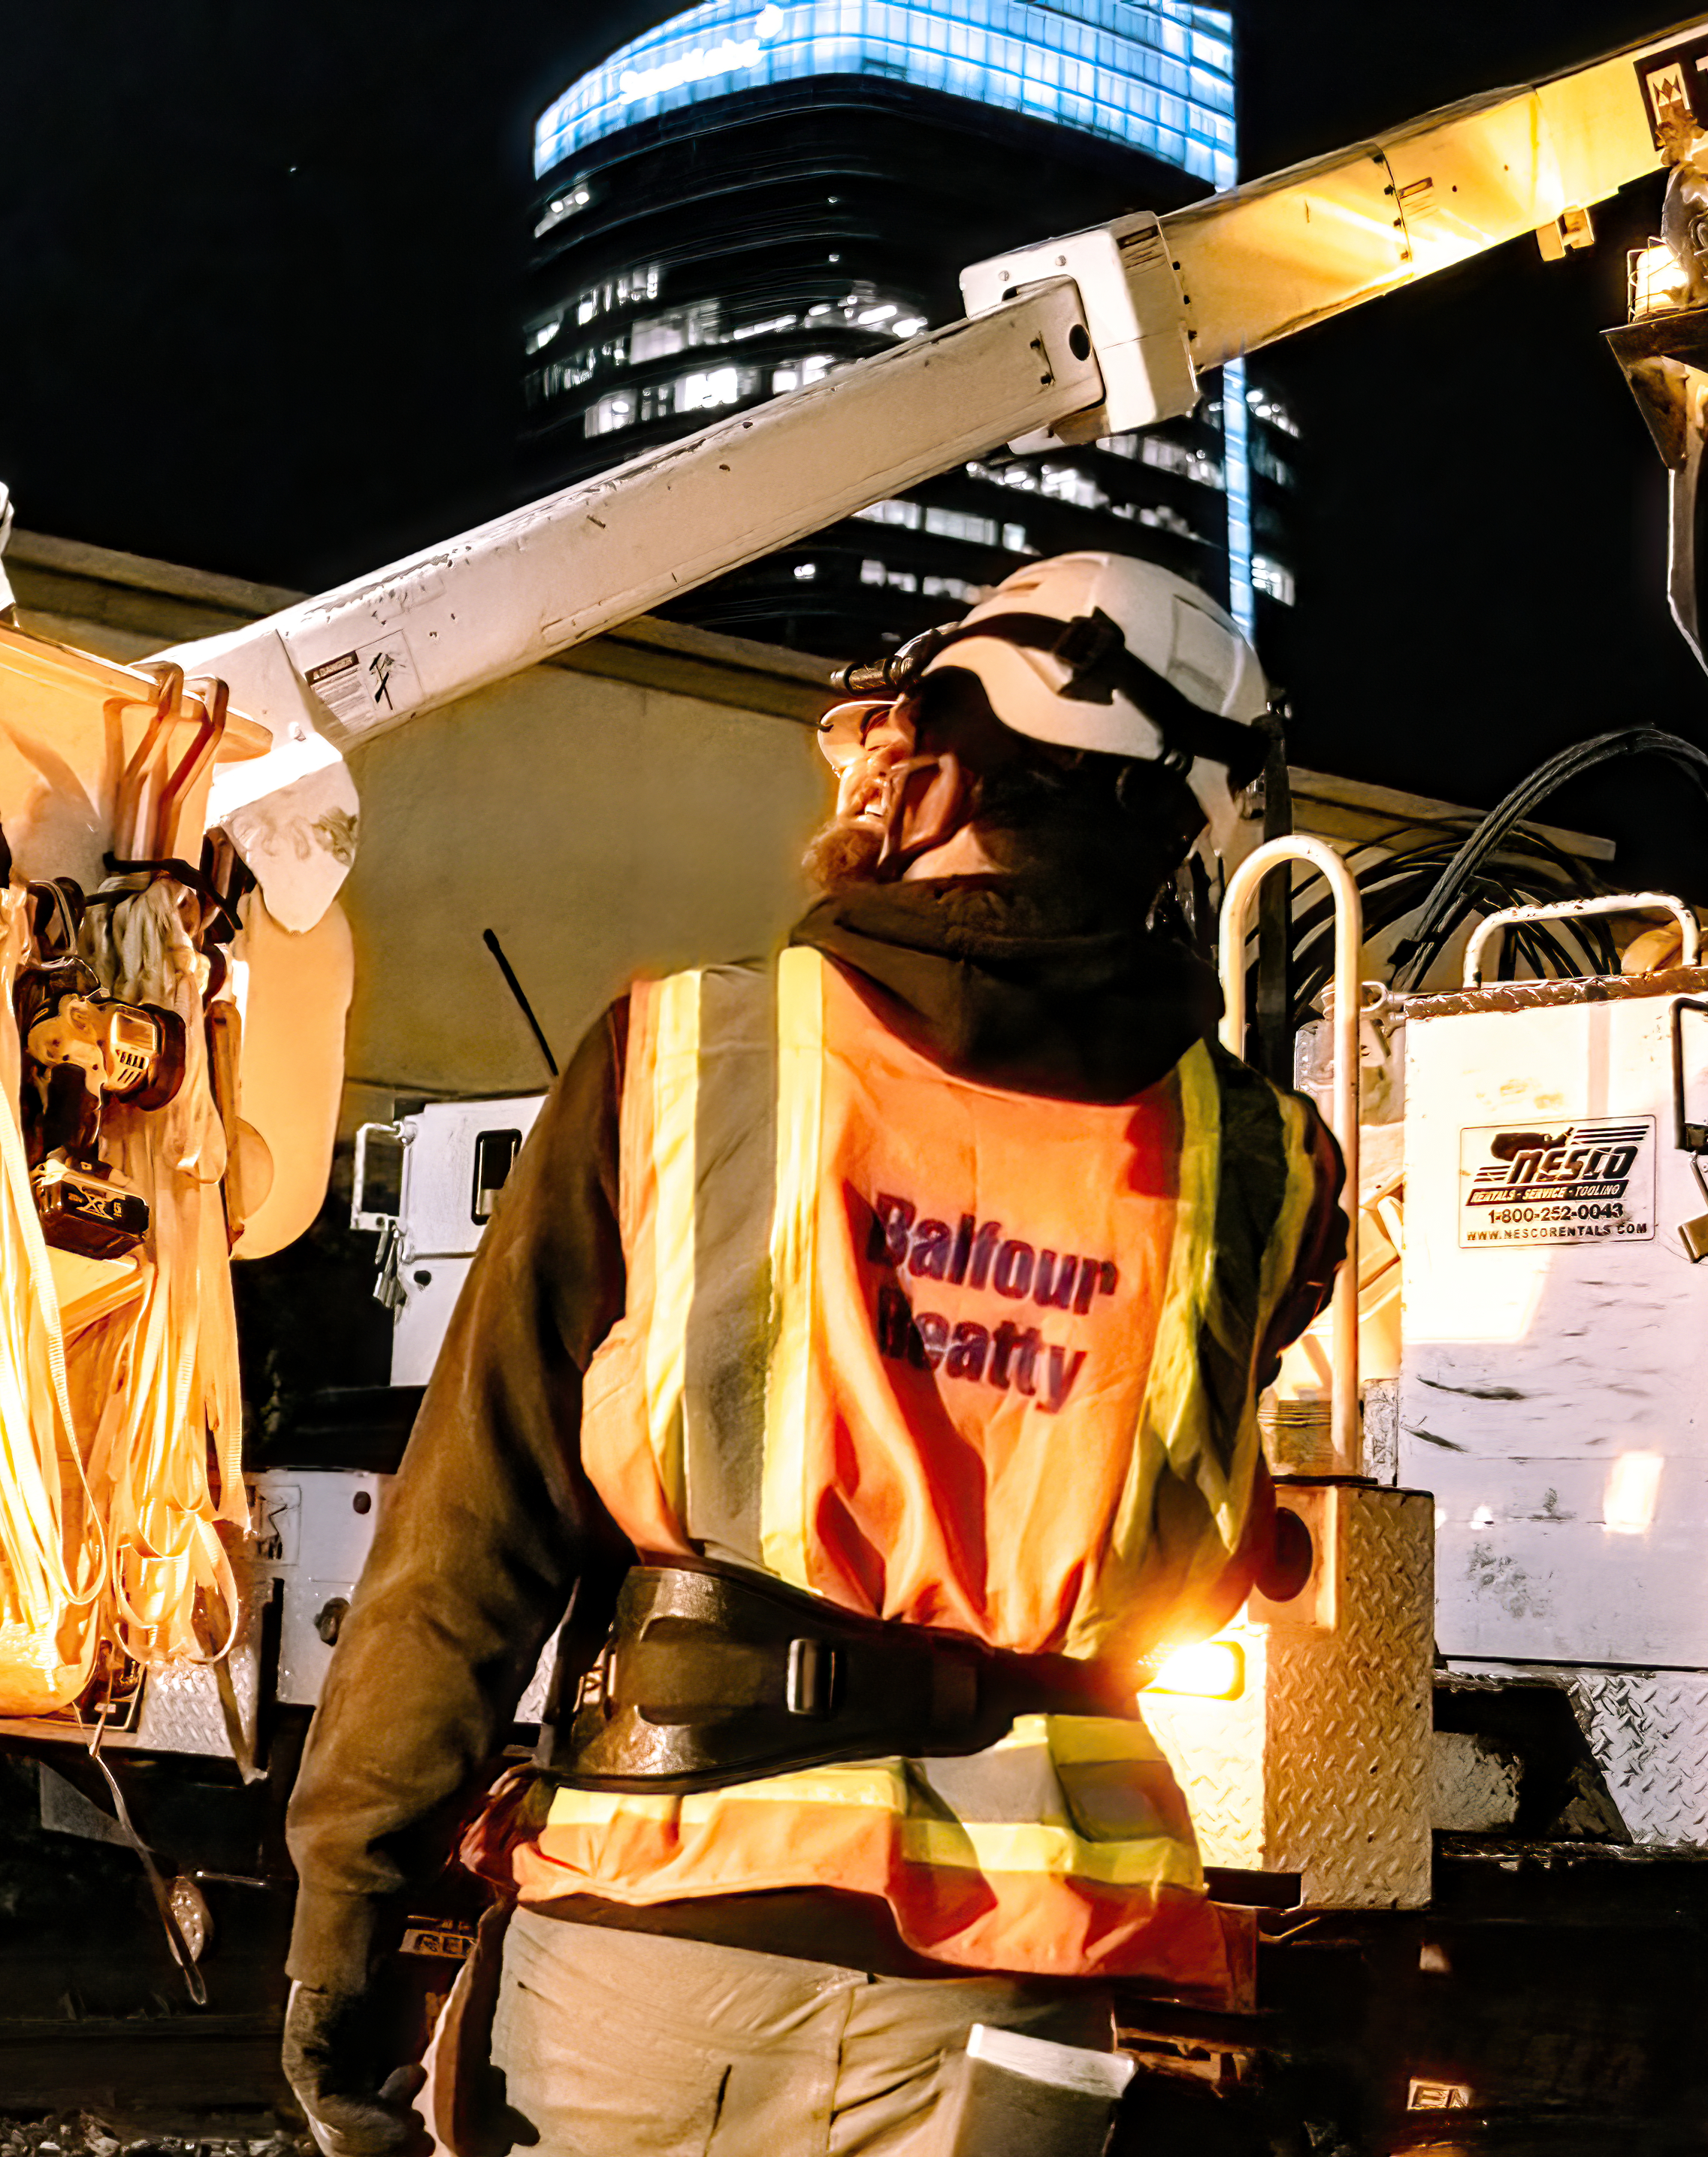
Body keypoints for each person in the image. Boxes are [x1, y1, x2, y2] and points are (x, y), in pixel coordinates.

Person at [282, 552, 1350, 2155]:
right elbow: (1191, 1551)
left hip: (663, 1949)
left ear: (936, 763)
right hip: (1019, 1994)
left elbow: (471, 1535)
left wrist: (348, 1915)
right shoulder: (1259, 1161)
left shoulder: (689, 1054)